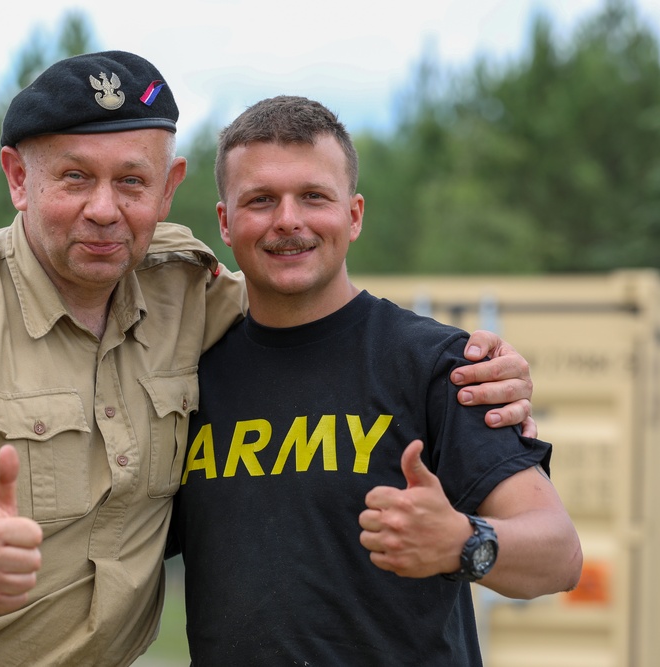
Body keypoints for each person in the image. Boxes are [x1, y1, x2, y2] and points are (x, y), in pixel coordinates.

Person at [0, 52, 538, 666]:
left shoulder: (185, 291)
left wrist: (472, 360)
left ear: (168, 187)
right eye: (74, 178)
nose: (105, 208)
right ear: (16, 177)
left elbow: (303, 299)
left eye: (131, 181)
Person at [172, 95, 583, 666]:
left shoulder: (437, 365)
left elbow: (560, 554)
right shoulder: (184, 381)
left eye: (314, 196)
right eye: (261, 200)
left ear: (354, 214)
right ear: (224, 222)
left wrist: (462, 542)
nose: (288, 219)